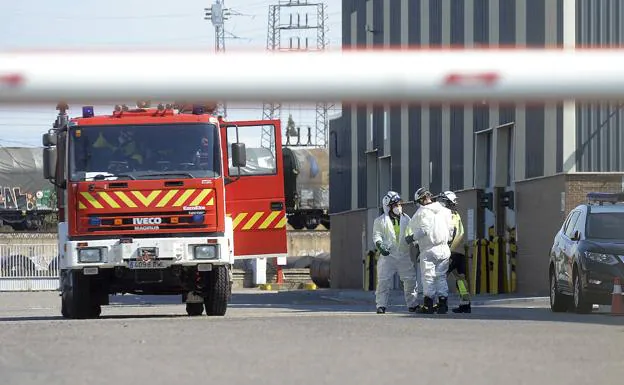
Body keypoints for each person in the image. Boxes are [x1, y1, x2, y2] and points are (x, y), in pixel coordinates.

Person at [405, 187, 454, 314]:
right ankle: (443, 304)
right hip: (444, 248)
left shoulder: (422, 212)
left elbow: (423, 230)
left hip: (429, 249)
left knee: (428, 277)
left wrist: (412, 238)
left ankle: (428, 305)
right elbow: (451, 231)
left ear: (420, 200)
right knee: (441, 277)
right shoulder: (445, 210)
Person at [372, 191, 419, 314]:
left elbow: (412, 234)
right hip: (388, 256)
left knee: (410, 280)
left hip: (403, 254)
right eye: (395, 205)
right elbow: (377, 236)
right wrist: (380, 245)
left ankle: (412, 304)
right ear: (388, 207)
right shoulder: (380, 221)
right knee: (383, 281)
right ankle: (381, 305)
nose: (399, 207)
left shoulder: (407, 219)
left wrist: (417, 246)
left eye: (399, 204)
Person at [437, 191, 472, 313]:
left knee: (440, 277)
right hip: (460, 251)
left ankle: (441, 303)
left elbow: (448, 233)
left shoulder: (445, 215)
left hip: (450, 251)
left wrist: (447, 248)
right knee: (460, 278)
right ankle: (465, 304)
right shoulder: (456, 214)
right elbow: (461, 233)